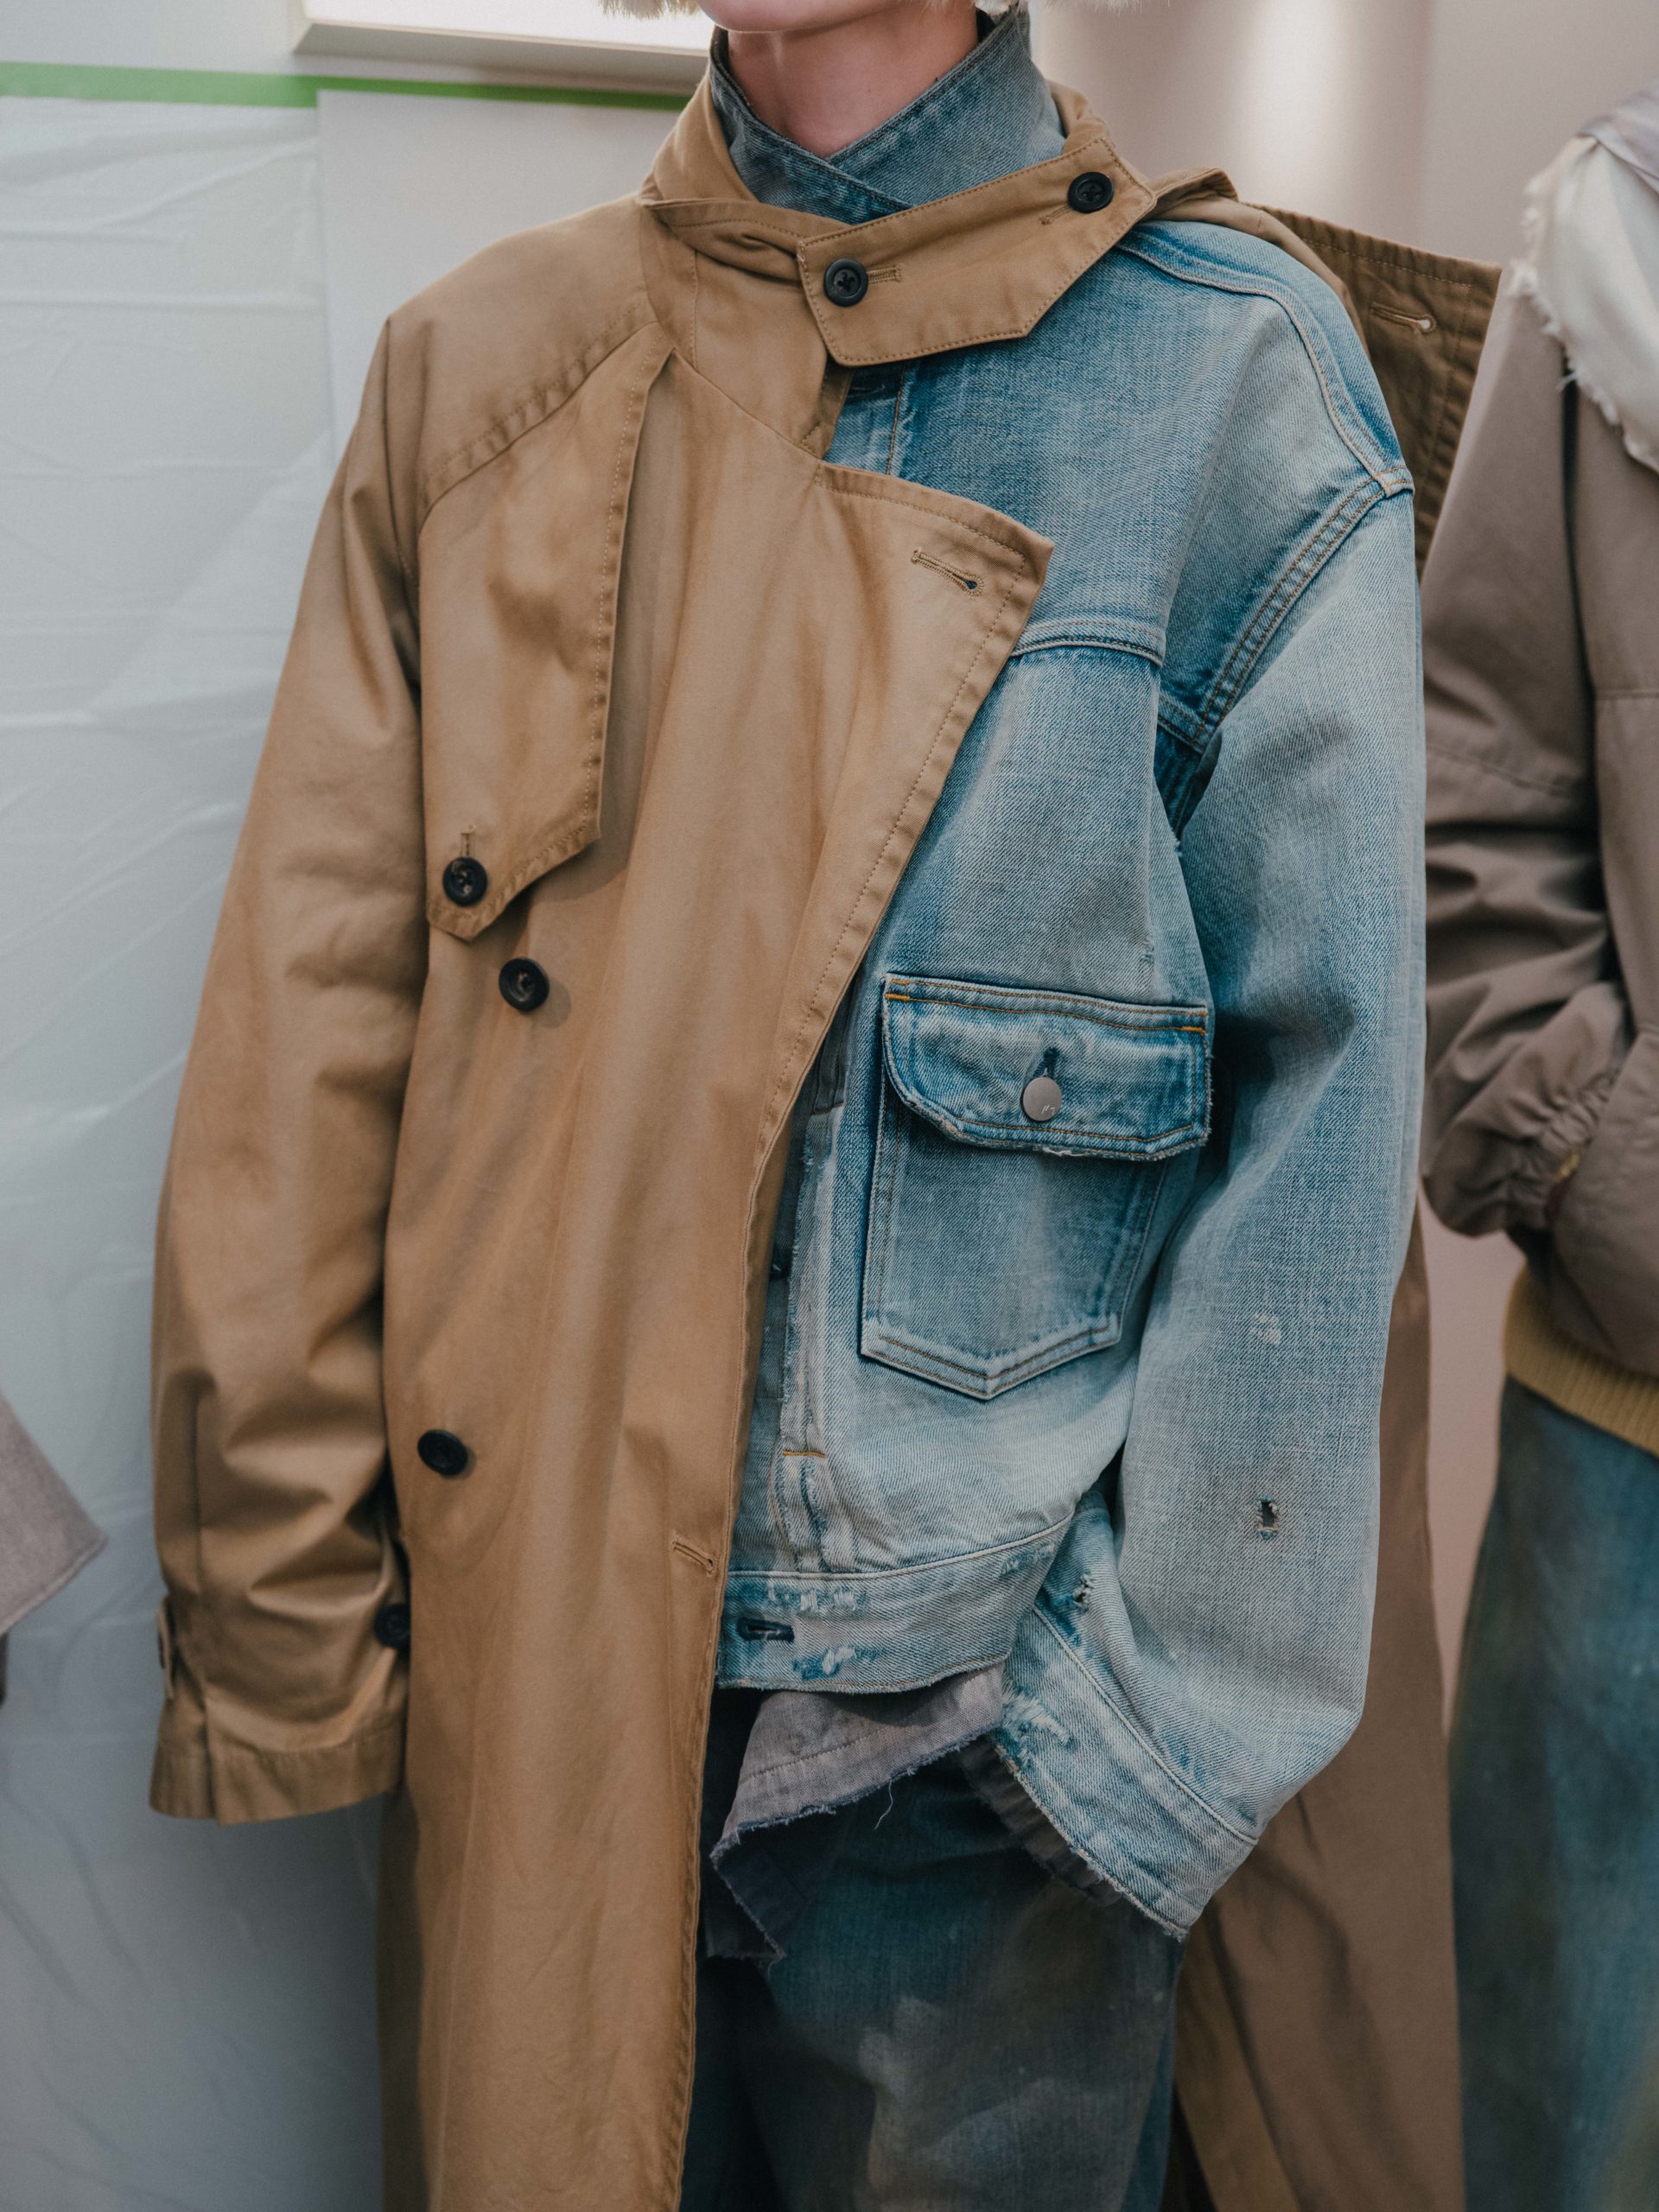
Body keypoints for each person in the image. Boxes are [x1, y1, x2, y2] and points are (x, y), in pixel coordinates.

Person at [148, 3, 1447, 2205]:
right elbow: (315, 1029)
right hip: (553, 1686)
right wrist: (279, 1610)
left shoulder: (1231, 383)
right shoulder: (485, 378)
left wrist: (1126, 1748)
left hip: (990, 1770)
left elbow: (1322, 1130)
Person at [1421, 78, 1659, 2212]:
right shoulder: (1614, 248)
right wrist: (1609, 1169)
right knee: (1569, 2121)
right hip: (1636, 1424)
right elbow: (1476, 778)